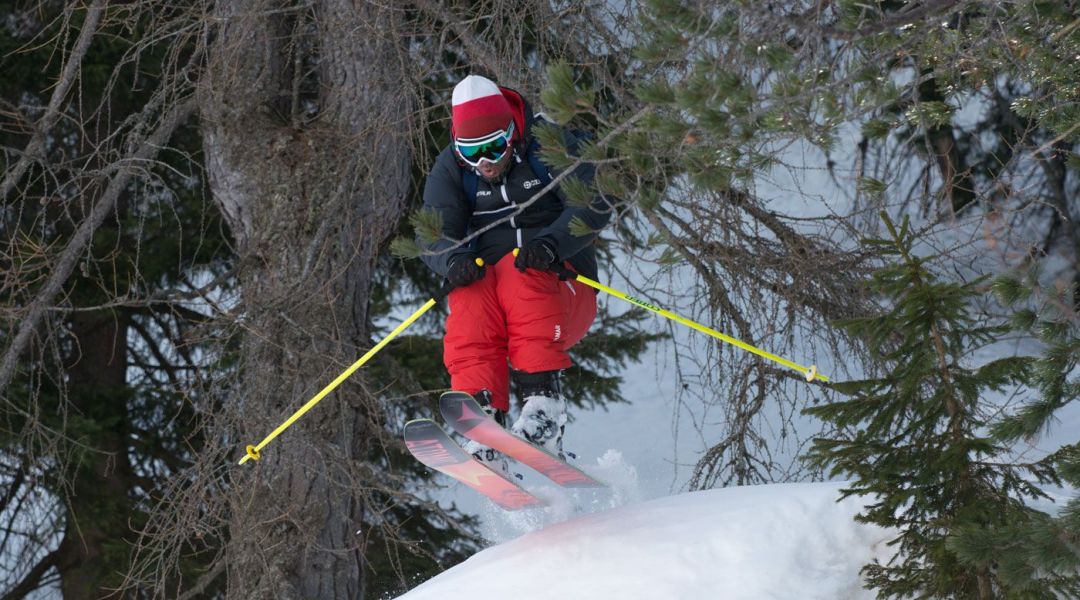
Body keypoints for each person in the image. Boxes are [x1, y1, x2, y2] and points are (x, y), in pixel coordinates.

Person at [418, 74, 610, 467]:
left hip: (560, 289)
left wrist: (550, 244)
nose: (485, 163)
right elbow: (432, 232)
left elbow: (592, 202)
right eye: (472, 153)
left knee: (519, 273)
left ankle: (544, 408)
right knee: (469, 293)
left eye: (493, 147)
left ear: (512, 132)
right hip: (496, 307)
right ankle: (482, 419)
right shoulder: (451, 168)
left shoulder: (549, 142)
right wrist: (451, 260)